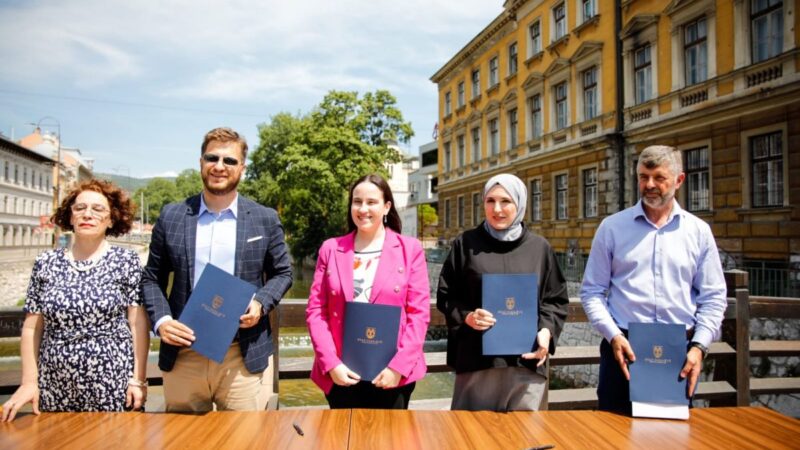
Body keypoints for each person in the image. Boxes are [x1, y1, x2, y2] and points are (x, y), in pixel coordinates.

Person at [141, 127, 292, 412]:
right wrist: (161, 321)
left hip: (241, 354)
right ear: (201, 162)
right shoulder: (172, 216)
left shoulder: (264, 219)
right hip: (184, 351)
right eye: (212, 158)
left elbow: (283, 273)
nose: (219, 167)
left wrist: (260, 303)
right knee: (183, 442)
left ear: (242, 168)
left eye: (230, 161)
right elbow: (151, 278)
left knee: (244, 441)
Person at [580, 145, 727, 414]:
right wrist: (612, 335)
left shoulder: (699, 232)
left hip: (678, 353)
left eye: (659, 178)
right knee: (613, 435)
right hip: (622, 348)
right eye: (643, 177)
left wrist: (699, 347)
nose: (649, 185)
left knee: (671, 439)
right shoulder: (612, 228)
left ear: (679, 180)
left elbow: (714, 298)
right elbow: (591, 292)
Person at [1, 179, 149, 422]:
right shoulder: (45, 263)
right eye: (79, 208)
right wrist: (29, 382)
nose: (87, 214)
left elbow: (137, 324)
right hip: (54, 382)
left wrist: (138, 380)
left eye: (98, 209)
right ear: (70, 217)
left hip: (112, 381)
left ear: (111, 219)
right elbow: (31, 328)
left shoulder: (126, 261)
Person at [437, 173, 569, 411]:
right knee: (473, 439)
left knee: (527, 440)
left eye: (506, 201)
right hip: (477, 364)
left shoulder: (539, 248)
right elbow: (446, 297)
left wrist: (547, 331)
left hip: (527, 364)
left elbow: (555, 299)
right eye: (490, 201)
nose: (497, 209)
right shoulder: (465, 244)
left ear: (519, 204)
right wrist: (467, 316)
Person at [306, 174, 430, 409]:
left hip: (392, 375)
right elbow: (316, 311)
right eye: (357, 201)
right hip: (342, 373)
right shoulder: (331, 249)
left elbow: (419, 314)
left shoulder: (409, 249)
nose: (363, 209)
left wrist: (398, 367)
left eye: (371, 202)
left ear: (386, 207)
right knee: (342, 442)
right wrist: (331, 364)